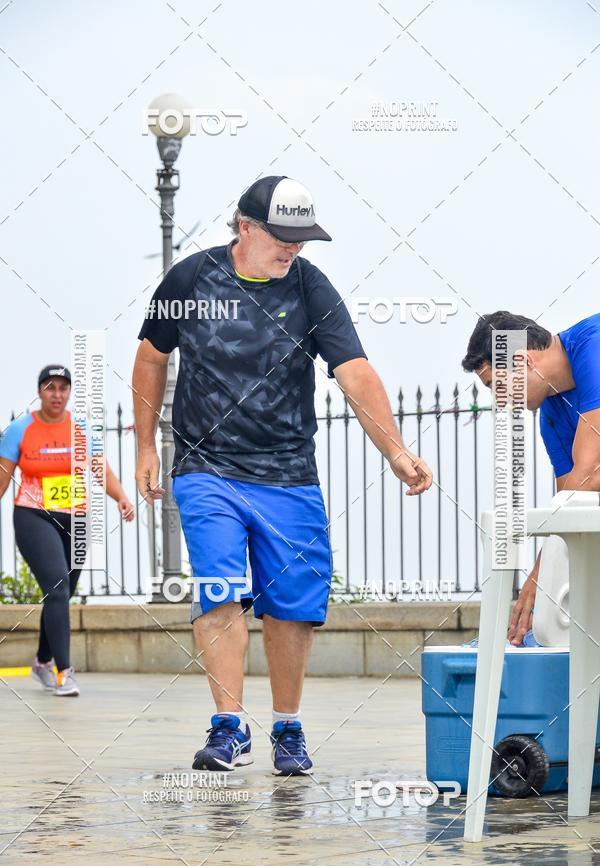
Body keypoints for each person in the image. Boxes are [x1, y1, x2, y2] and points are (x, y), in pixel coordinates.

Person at [133, 175, 433, 774]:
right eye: (283, 236)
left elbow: (355, 373)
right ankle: (227, 726)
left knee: (292, 606)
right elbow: (150, 355)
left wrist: (395, 451)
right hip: (206, 466)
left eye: (303, 238)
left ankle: (287, 727)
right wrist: (144, 444)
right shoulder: (190, 280)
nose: (294, 248)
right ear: (246, 227)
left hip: (288, 471)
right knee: (219, 587)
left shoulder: (311, 288)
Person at [462, 311, 600, 645]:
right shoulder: (551, 415)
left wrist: (539, 577)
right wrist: (539, 581)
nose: (498, 398)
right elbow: (571, 510)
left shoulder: (593, 345)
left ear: (522, 360)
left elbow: (590, 474)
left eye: (496, 384)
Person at [0, 365, 135, 696]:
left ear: (69, 392)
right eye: (50, 388)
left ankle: (42, 662)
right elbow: (2, 477)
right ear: (40, 391)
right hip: (34, 515)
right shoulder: (20, 429)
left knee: (62, 592)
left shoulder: (81, 428)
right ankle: (65, 673)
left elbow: (100, 469)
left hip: (75, 518)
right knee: (58, 586)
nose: (57, 394)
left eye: (63, 388)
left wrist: (121, 497)